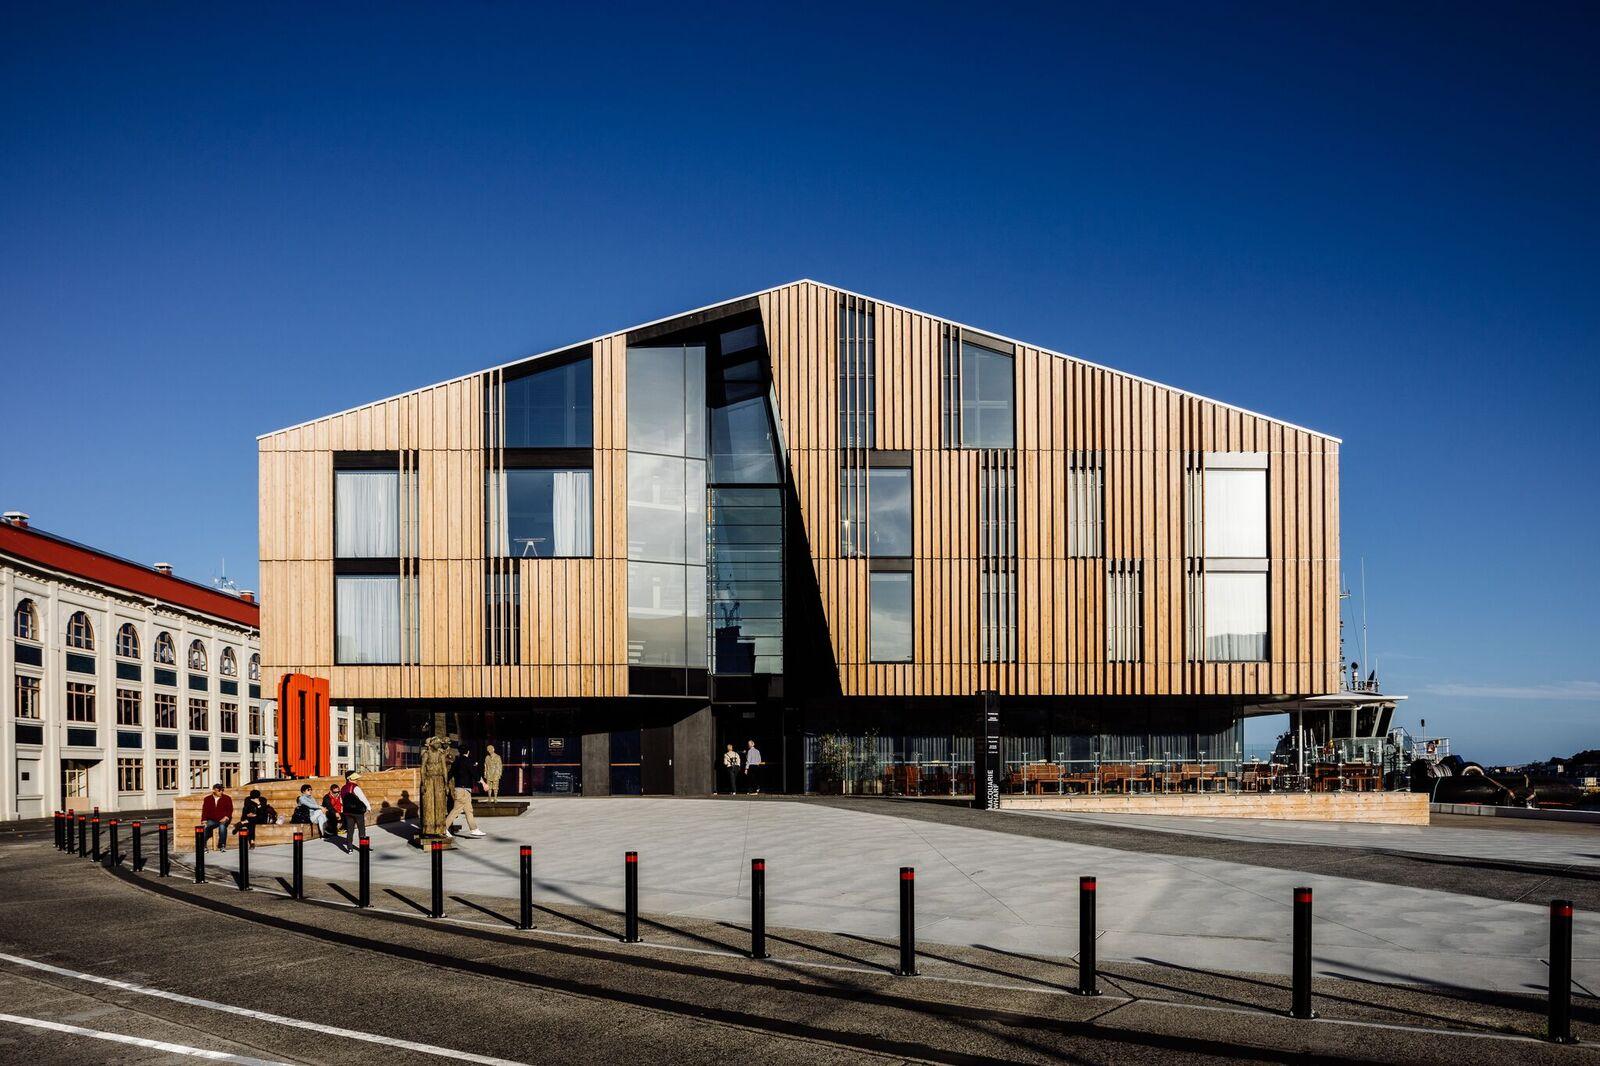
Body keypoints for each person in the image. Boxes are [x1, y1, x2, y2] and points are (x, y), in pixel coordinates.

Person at [444, 745, 486, 838]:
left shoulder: (456, 761)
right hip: (463, 790)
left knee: (469, 810)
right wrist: (483, 784)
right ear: (468, 752)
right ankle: (444, 828)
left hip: (461, 789)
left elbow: (450, 774)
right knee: (456, 810)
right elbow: (475, 773)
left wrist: (445, 783)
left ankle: (474, 829)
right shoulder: (467, 761)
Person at [339, 771, 375, 849]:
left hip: (347, 812)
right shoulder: (355, 787)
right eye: (355, 778)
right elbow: (363, 798)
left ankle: (349, 848)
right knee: (361, 829)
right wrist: (369, 807)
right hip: (357, 812)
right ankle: (364, 847)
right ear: (350, 778)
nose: (357, 780)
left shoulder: (343, 788)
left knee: (350, 830)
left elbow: (341, 801)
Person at [199, 783, 233, 851]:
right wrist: (204, 820)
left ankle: (222, 845)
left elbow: (230, 809)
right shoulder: (207, 799)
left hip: (223, 819)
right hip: (212, 819)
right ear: (214, 790)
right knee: (205, 827)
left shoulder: (227, 798)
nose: (221, 792)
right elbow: (205, 810)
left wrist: (226, 817)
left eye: (222, 790)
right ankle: (203, 846)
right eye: (219, 790)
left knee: (222, 826)